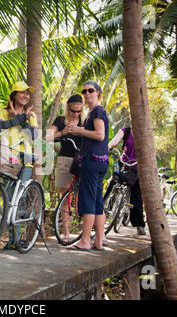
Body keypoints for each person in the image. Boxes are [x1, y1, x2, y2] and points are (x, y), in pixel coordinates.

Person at [66, 80, 109, 251]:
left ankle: (85, 241)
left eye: (90, 90)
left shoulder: (97, 111)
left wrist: (79, 130)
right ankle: (98, 240)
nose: (87, 94)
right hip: (100, 162)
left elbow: (100, 135)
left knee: (88, 201)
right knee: (97, 202)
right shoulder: (93, 112)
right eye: (84, 91)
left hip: (92, 162)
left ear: (98, 92)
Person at [0, 81, 38, 249]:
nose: (26, 95)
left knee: (19, 199)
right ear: (14, 95)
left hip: (25, 159)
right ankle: (3, 237)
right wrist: (18, 118)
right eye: (22, 92)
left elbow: (33, 135)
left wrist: (23, 120)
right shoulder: (4, 111)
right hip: (8, 157)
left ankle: (14, 240)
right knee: (7, 196)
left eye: (28, 93)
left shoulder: (32, 115)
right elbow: (0, 126)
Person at [46, 94, 84, 243]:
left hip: (81, 160)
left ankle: (86, 231)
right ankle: (66, 232)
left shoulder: (85, 121)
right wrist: (63, 133)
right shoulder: (61, 120)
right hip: (65, 159)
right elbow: (48, 137)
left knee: (84, 195)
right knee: (65, 197)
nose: (76, 114)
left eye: (79, 111)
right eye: (73, 111)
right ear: (68, 108)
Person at [107, 127, 146, 235]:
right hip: (123, 163)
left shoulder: (144, 132)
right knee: (112, 184)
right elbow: (116, 139)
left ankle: (139, 225)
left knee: (136, 197)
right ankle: (104, 211)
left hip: (136, 166)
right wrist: (109, 145)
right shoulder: (127, 131)